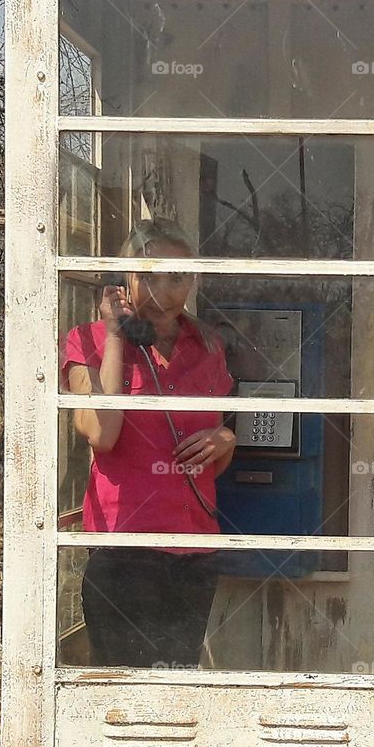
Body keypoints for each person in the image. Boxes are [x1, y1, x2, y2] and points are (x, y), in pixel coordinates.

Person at [61, 217, 236, 667]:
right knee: (125, 684)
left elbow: (211, 461)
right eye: (151, 275)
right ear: (124, 279)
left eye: (178, 277)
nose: (165, 291)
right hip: (126, 548)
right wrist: (118, 338)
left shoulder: (209, 346)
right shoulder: (87, 341)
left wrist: (225, 438)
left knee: (178, 681)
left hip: (196, 547)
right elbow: (103, 433)